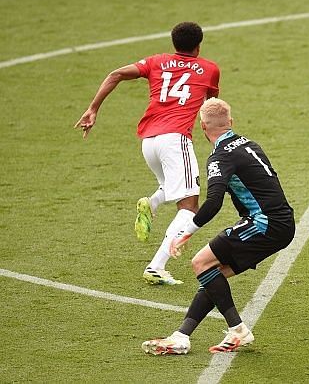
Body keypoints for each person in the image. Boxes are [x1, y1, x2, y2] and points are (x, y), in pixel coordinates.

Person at [141, 98, 295, 354]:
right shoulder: (249, 144)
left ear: (203, 127)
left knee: (200, 263)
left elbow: (213, 203)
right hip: (280, 222)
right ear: (230, 122)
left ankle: (238, 330)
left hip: (264, 223)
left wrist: (185, 234)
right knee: (213, 275)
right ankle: (181, 336)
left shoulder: (220, 157)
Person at [74, 22, 220, 285]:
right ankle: (157, 266)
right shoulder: (209, 69)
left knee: (170, 186)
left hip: (149, 141)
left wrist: (93, 109)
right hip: (176, 139)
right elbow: (210, 110)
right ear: (199, 45)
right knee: (189, 207)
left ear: (173, 43)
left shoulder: (156, 62)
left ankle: (151, 204)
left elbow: (115, 74)